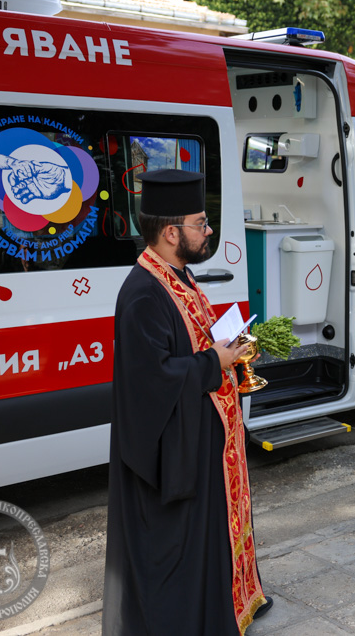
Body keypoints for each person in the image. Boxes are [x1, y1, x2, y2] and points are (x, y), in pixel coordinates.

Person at [103, 169, 270, 636]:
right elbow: (151, 380)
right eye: (202, 222)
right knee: (179, 546)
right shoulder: (142, 294)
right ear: (171, 232)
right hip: (176, 448)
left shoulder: (177, 274)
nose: (210, 230)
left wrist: (227, 347)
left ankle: (225, 603)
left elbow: (192, 343)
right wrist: (213, 360)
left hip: (203, 439)